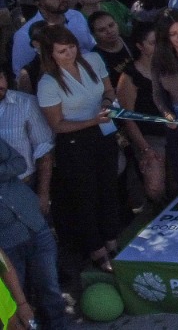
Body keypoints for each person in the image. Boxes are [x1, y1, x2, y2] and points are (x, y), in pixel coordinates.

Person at [34, 27, 122, 273]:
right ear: (50, 54)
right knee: (86, 196)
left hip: (104, 132)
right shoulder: (48, 83)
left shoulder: (93, 59)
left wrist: (106, 105)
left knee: (108, 188)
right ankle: (97, 250)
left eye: (71, 47)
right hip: (74, 141)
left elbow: (109, 90)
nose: (69, 53)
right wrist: (93, 121)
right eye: (61, 51)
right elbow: (57, 125)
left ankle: (113, 240)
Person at [0, 140, 67, 330]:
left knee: (50, 291)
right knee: (17, 301)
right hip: (6, 243)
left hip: (34, 225)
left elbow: (20, 164)